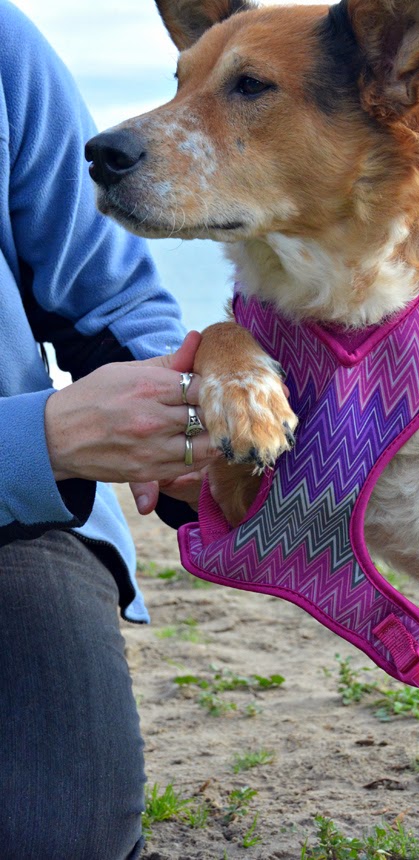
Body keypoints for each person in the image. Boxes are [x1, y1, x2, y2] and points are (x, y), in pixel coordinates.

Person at [0, 2, 216, 856]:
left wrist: (190, 424)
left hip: (18, 523)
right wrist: (43, 440)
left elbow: (107, 298)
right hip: (28, 461)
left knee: (57, 838)